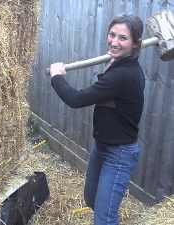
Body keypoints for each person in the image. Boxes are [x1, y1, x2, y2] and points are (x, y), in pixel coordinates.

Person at [49, 12, 145, 225]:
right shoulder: (120, 67)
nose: (114, 41)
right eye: (112, 34)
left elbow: (76, 99)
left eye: (123, 38)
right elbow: (110, 98)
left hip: (119, 155)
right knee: (91, 199)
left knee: (105, 218)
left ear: (136, 43)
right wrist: (109, 69)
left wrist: (57, 77)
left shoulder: (124, 74)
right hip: (103, 147)